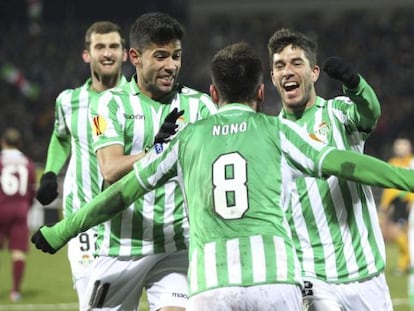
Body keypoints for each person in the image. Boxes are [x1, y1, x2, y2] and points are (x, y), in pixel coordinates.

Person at [31, 41, 414, 310]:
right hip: (274, 279)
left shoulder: (186, 141)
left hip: (211, 285)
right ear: (262, 93)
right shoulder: (278, 133)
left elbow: (120, 193)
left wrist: (61, 231)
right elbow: (349, 164)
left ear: (213, 94)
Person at [84, 12, 217, 311]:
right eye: (160, 56)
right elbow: (110, 169)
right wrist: (157, 151)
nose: (171, 65)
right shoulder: (108, 103)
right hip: (120, 249)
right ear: (135, 56)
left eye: (176, 56)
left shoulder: (200, 106)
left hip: (176, 248)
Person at [268, 28, 391, 310]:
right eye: (279, 66)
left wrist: (356, 85)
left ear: (314, 73)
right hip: (311, 276)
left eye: (296, 63)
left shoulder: (339, 112)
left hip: (366, 272)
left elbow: (369, 113)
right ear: (273, 77)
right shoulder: (270, 134)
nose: (287, 71)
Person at [34, 21, 128, 309]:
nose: (108, 53)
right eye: (100, 47)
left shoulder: (139, 100)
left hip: (130, 221)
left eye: (114, 46)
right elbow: (61, 136)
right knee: (92, 304)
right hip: (83, 220)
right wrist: (51, 172)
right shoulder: (69, 101)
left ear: (126, 54)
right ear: (86, 54)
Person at [0, 127, 36, 302]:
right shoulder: (28, 163)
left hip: (0, 207)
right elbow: (32, 190)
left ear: (3, 142)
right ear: (19, 143)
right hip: (20, 210)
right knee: (18, 253)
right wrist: (25, 207)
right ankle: (15, 292)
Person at [379, 137, 414, 275]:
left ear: (409, 147)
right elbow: (388, 188)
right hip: (397, 204)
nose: (399, 148)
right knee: (400, 233)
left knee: (408, 233)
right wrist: (384, 205)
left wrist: (412, 200)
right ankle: (405, 263)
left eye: (402, 146)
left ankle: (406, 263)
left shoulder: (411, 161)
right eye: (397, 145)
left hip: (408, 203)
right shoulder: (392, 163)